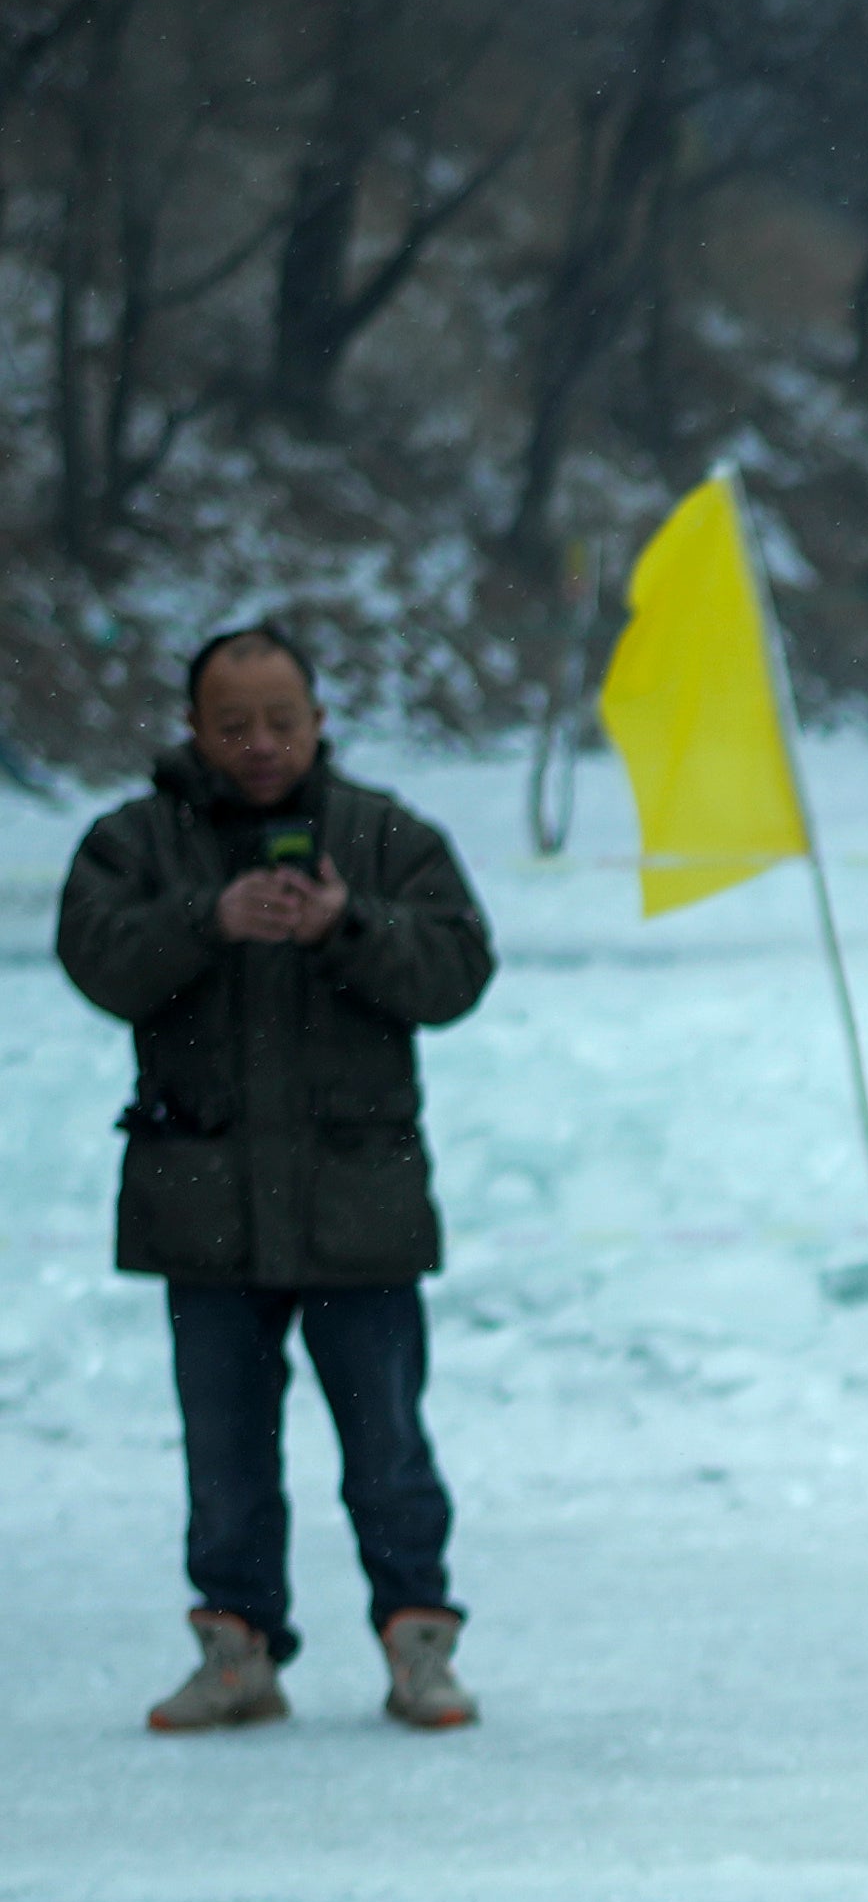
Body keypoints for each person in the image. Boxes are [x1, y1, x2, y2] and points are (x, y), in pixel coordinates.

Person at [57, 625, 501, 1734]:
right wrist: (203, 923)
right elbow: (94, 957)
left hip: (360, 1202)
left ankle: (419, 1642)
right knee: (224, 1454)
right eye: (234, 724)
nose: (260, 745)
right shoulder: (137, 839)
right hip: (201, 1207)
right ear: (195, 728)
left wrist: (349, 924)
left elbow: (458, 971)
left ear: (317, 720)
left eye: (280, 722)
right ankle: (236, 1649)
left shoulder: (389, 837)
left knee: (388, 1447)